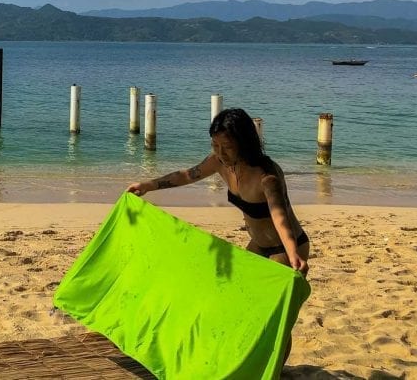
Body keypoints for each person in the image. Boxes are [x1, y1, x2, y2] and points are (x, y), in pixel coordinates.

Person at [126, 108, 310, 275]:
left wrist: (292, 253)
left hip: (285, 248)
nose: (221, 153)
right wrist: (147, 185)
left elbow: (280, 216)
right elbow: (186, 176)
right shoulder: (219, 163)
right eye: (215, 145)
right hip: (258, 245)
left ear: (243, 143)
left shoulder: (266, 176)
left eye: (227, 147)